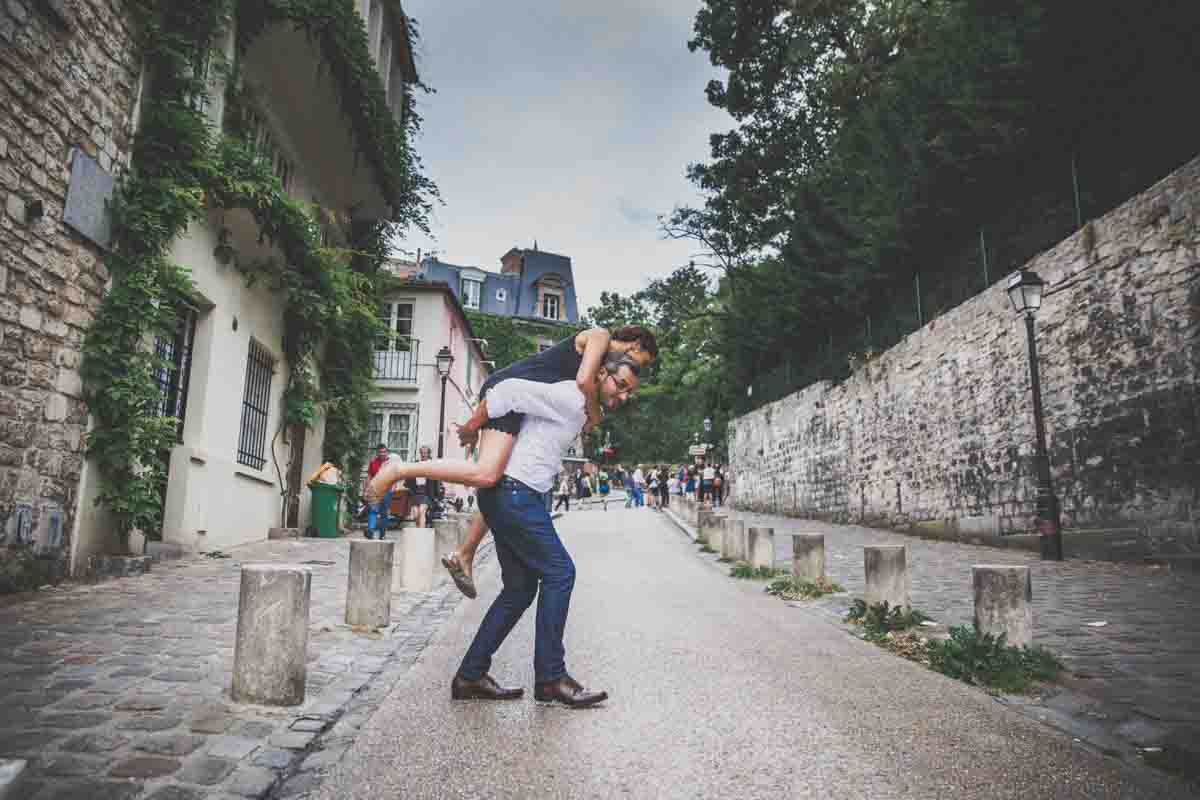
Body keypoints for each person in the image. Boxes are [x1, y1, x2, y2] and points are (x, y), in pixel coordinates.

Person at [366, 327, 658, 599]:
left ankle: (465, 553)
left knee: (506, 477)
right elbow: (583, 381)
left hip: (522, 402)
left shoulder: (607, 362)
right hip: (506, 391)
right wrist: (593, 415)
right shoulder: (600, 336)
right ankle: (400, 469)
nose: (638, 367)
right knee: (487, 474)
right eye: (642, 360)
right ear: (635, 345)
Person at [450, 356, 640, 706]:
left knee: (519, 589)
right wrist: (471, 427)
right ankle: (551, 677)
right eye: (621, 385)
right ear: (601, 373)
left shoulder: (582, 405)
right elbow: (506, 391)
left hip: (510, 494)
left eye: (629, 392)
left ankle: (470, 675)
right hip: (516, 493)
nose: (624, 396)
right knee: (560, 572)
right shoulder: (570, 395)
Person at [365, 444, 394, 539]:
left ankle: (382, 534)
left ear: (387, 452)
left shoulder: (391, 463)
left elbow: (395, 476)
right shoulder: (373, 462)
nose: (382, 454)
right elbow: (369, 476)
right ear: (377, 453)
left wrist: (393, 488)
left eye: (384, 452)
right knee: (372, 510)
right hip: (374, 489)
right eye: (380, 452)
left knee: (383, 513)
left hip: (386, 490)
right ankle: (371, 530)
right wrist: (366, 489)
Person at [404, 446, 438, 527]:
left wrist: (436, 496)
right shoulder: (416, 464)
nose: (423, 455)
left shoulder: (432, 465)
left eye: (425, 453)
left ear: (428, 454)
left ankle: (421, 532)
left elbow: (436, 481)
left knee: (421, 510)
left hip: (426, 492)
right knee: (416, 514)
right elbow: (409, 478)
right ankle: (419, 529)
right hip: (415, 492)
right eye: (422, 453)